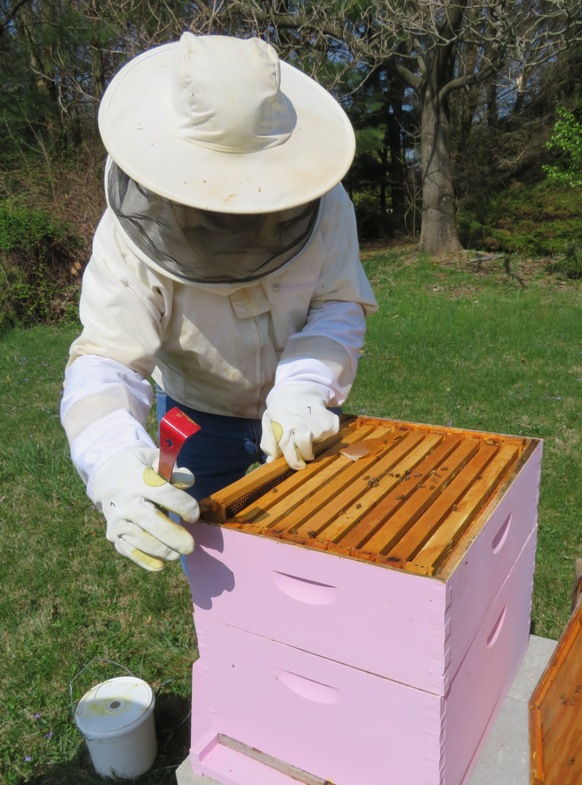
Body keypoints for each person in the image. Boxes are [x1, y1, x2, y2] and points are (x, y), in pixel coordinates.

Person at [60, 32, 378, 573]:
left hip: (304, 415)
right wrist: (111, 457)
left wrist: (304, 387)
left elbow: (337, 304)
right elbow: (106, 360)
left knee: (324, 553)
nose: (232, 218)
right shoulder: (126, 236)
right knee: (221, 574)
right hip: (196, 420)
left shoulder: (325, 204)